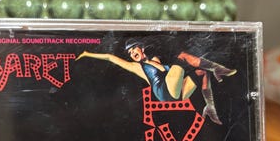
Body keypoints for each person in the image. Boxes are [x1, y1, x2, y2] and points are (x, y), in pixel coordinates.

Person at [77, 39, 237, 125]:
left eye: (134, 50)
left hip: (177, 95)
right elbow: (110, 57)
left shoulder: (155, 60)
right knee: (182, 56)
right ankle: (218, 68)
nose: (132, 54)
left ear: (141, 48)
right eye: (130, 53)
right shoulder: (137, 67)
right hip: (164, 91)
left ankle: (210, 107)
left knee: (202, 72)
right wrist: (87, 53)